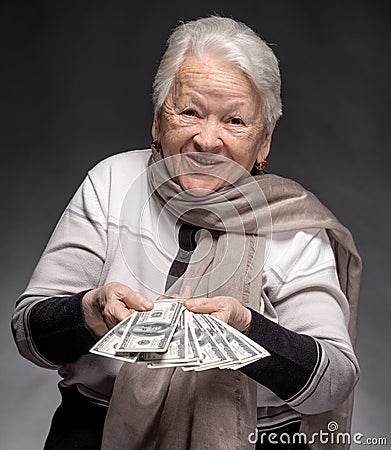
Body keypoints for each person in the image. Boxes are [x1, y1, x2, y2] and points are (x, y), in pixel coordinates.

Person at [12, 16, 361, 450]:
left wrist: (246, 330)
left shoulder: (296, 228)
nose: (207, 140)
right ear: (158, 122)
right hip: (97, 432)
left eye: (235, 121)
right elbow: (30, 334)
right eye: (190, 112)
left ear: (264, 142)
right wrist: (90, 311)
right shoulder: (113, 183)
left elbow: (335, 380)